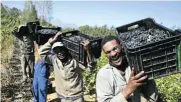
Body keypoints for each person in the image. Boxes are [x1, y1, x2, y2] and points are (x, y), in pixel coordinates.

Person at [96, 35, 159, 102]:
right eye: (108, 52)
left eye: (115, 48)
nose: (113, 54)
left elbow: (153, 98)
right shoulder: (103, 74)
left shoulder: (135, 66)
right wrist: (128, 90)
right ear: (105, 54)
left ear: (121, 46)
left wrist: (148, 79)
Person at [39, 32, 96, 102]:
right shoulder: (54, 60)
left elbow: (90, 68)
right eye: (56, 50)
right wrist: (51, 42)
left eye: (61, 49)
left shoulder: (75, 61)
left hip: (76, 97)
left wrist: (88, 50)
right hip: (61, 96)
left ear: (66, 50)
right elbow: (41, 53)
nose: (59, 53)